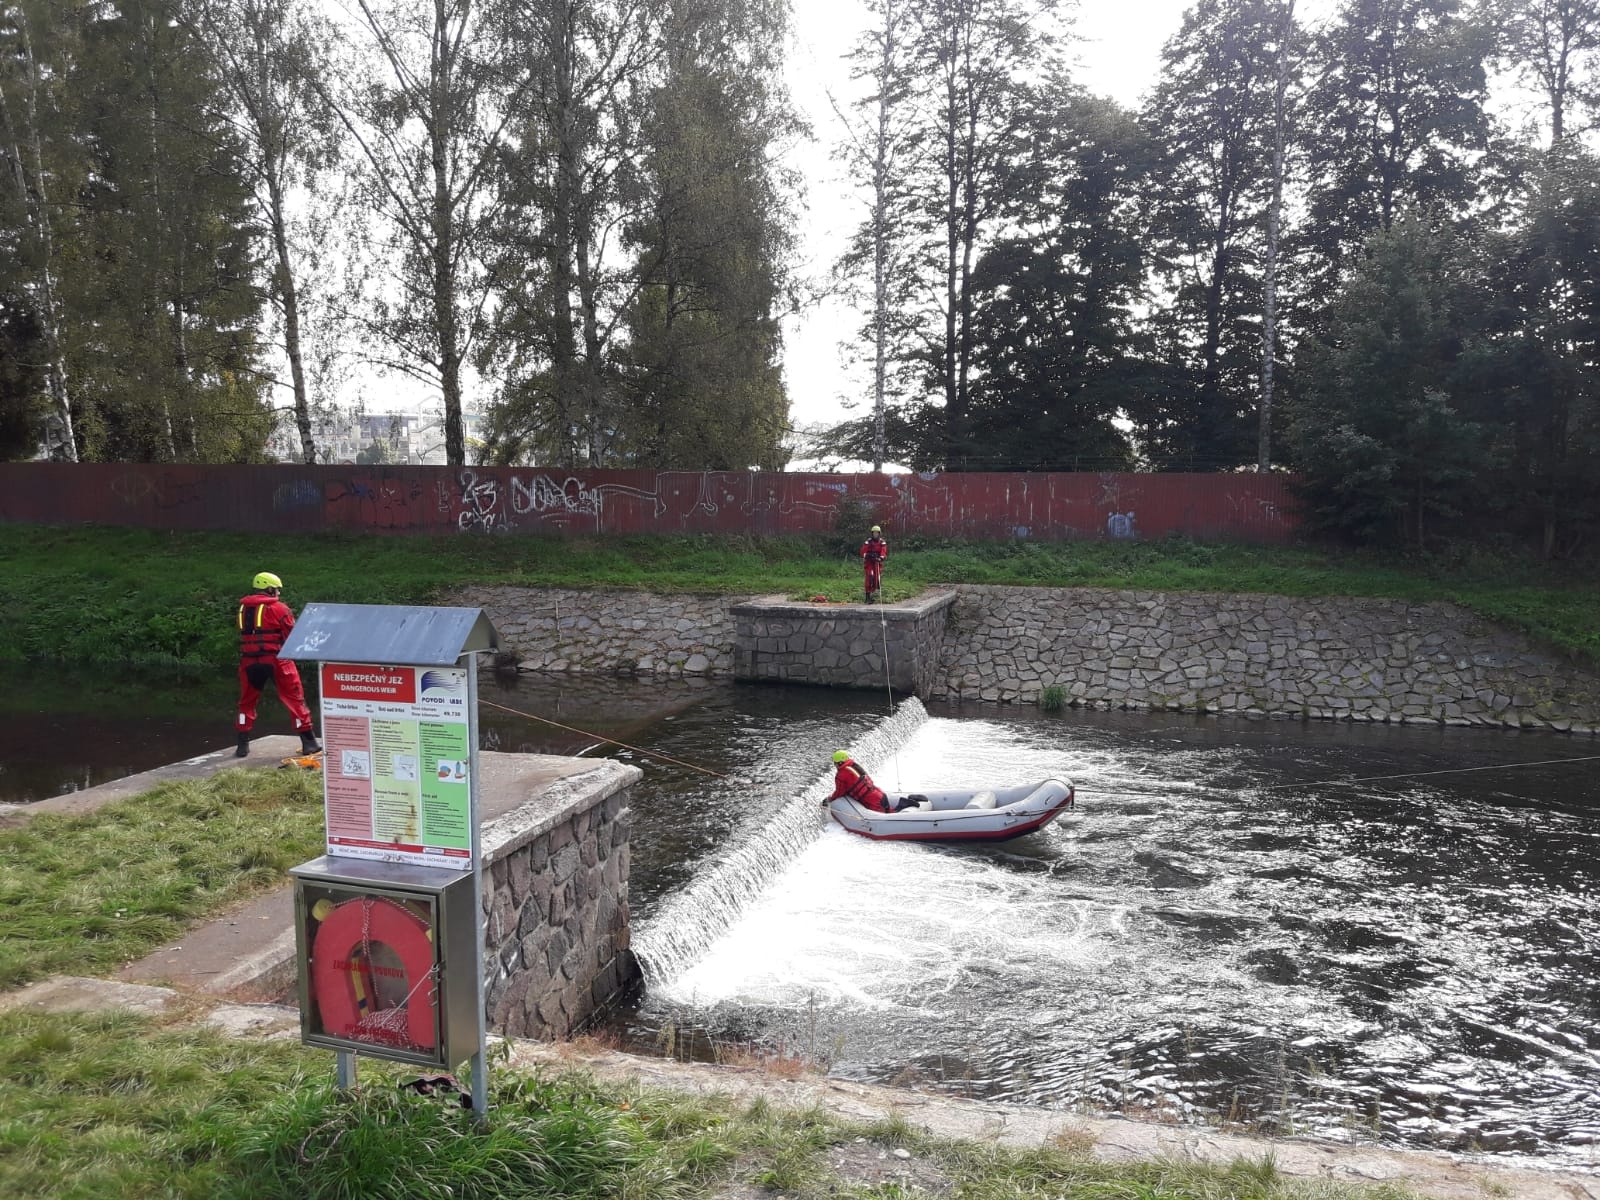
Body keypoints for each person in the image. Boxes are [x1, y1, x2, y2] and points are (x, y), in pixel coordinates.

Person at [236, 571, 320, 758]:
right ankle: (309, 743)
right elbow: (291, 635)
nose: (278, 594)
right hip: (277, 659)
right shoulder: (280, 609)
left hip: (249, 661)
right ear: (270, 588)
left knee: (246, 701)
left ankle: (242, 744)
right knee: (294, 698)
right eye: (277, 590)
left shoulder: (242, 609)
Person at [824, 749, 919, 813]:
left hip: (873, 801)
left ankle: (904, 804)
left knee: (889, 815)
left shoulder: (842, 775)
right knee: (888, 811)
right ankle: (906, 802)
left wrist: (830, 799)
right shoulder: (854, 766)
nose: (835, 765)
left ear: (840, 763)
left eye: (835, 763)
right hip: (879, 794)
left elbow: (840, 792)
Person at [860, 524, 889, 603]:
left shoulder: (882, 542)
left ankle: (874, 593)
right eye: (874, 533)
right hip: (869, 562)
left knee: (876, 578)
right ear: (872, 533)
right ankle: (867, 597)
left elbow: (883, 551)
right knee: (870, 576)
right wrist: (868, 555)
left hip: (876, 562)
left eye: (877, 533)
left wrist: (880, 558)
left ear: (879, 534)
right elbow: (863, 552)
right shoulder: (868, 542)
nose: (875, 534)